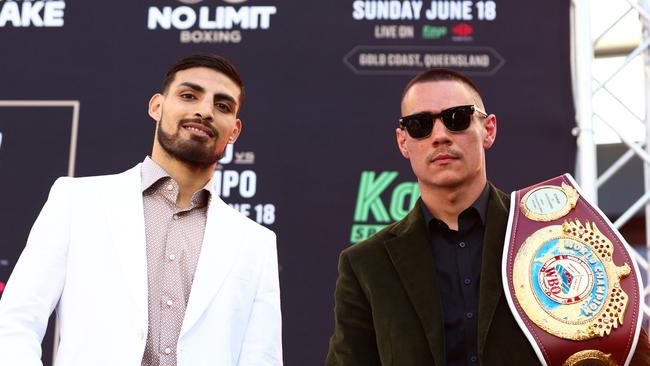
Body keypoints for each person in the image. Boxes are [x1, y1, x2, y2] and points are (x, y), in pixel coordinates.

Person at [325, 68, 649, 365]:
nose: (439, 135)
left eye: (457, 118)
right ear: (403, 142)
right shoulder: (366, 264)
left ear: (488, 129)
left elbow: (624, 349)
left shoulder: (556, 235)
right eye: (420, 125)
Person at [0, 54, 282, 366]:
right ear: (157, 107)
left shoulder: (255, 242)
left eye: (223, 106)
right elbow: (14, 324)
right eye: (189, 96)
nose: (204, 111)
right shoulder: (77, 202)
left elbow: (263, 359)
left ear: (234, 132)